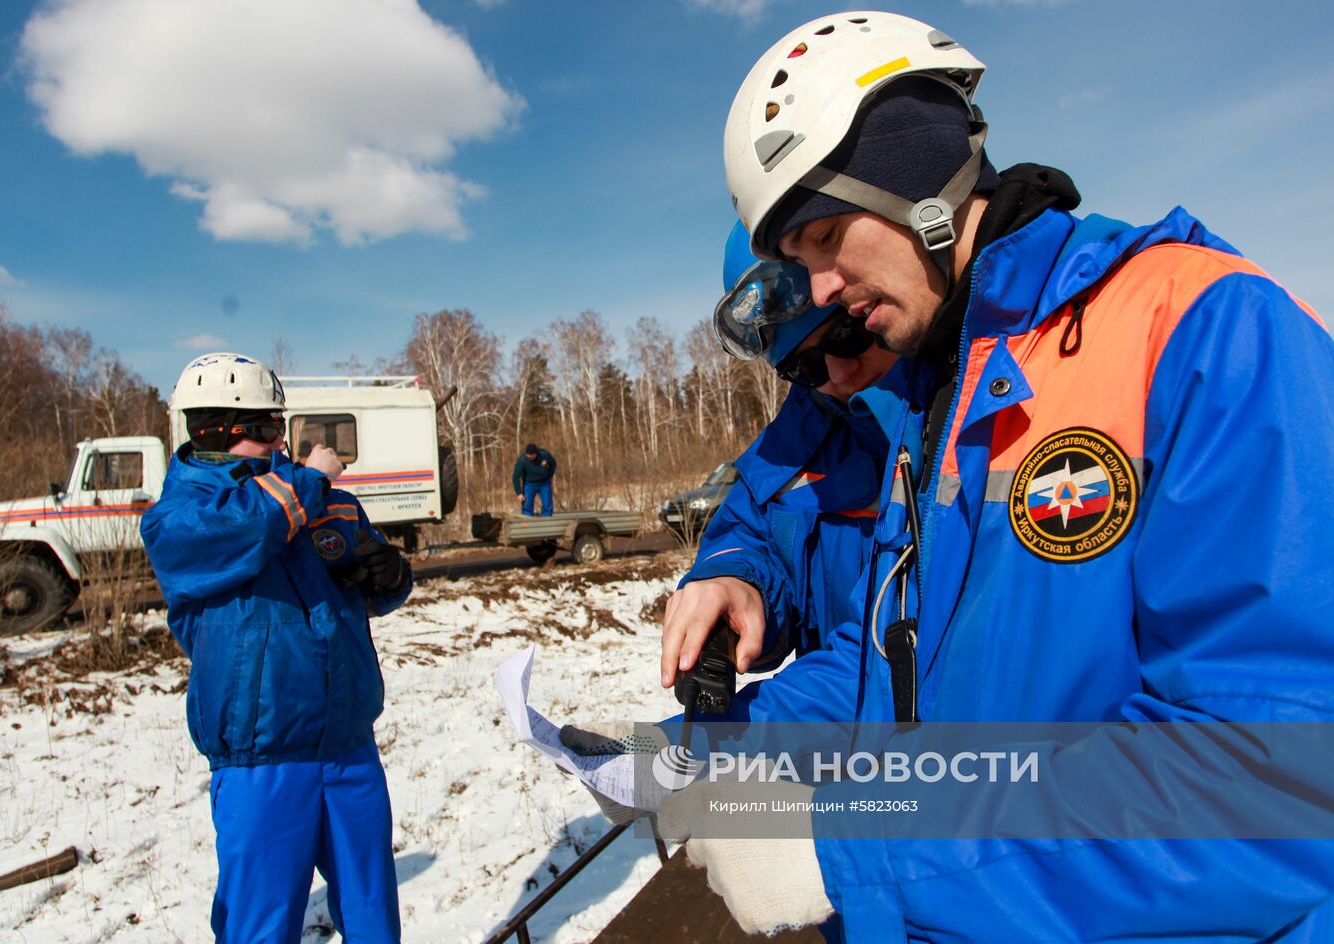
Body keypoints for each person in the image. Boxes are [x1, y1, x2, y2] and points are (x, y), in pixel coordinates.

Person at [574, 12, 1334, 941]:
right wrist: (697, 755)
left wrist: (853, 847)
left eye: (822, 237)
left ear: (907, 172)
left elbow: (1282, 775)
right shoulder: (949, 397)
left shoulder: (1202, 330)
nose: (818, 297)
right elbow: (896, 660)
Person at [141, 352, 411, 943]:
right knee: (260, 928)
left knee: (374, 920)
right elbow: (253, 523)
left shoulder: (311, 494)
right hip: (261, 762)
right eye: (261, 432)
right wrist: (309, 480)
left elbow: (369, 574)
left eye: (275, 428)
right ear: (212, 433)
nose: (275, 442)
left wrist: (389, 575)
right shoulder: (180, 515)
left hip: (348, 746)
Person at [662, 220, 898, 679]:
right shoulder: (786, 454)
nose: (838, 374)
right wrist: (734, 582)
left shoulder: (976, 411)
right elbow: (751, 538)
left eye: (847, 336)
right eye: (805, 366)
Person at [512, 441, 557, 516]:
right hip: (529, 484)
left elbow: (553, 465)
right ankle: (527, 524)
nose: (529, 456)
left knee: (547, 504)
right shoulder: (523, 460)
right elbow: (515, 476)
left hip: (544, 483)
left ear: (536, 453)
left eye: (531, 455)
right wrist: (519, 493)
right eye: (527, 454)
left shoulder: (545, 455)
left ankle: (547, 523)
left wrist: (549, 475)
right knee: (527, 505)